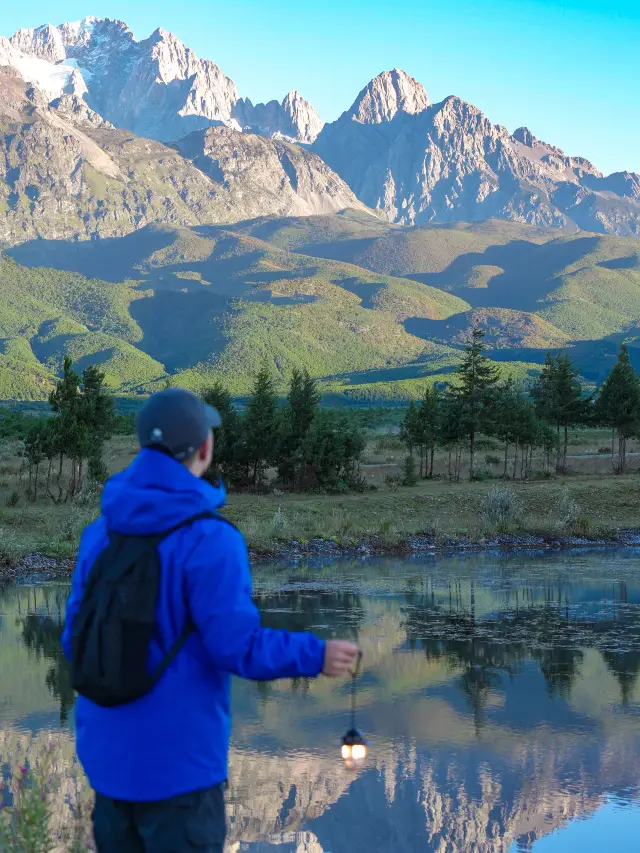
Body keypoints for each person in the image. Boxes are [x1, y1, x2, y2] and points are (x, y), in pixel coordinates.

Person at [62, 387, 360, 853]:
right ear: (204, 448)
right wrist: (317, 654)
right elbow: (236, 647)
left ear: (143, 448)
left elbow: (72, 639)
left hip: (107, 767)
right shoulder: (211, 538)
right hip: (180, 774)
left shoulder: (99, 533)